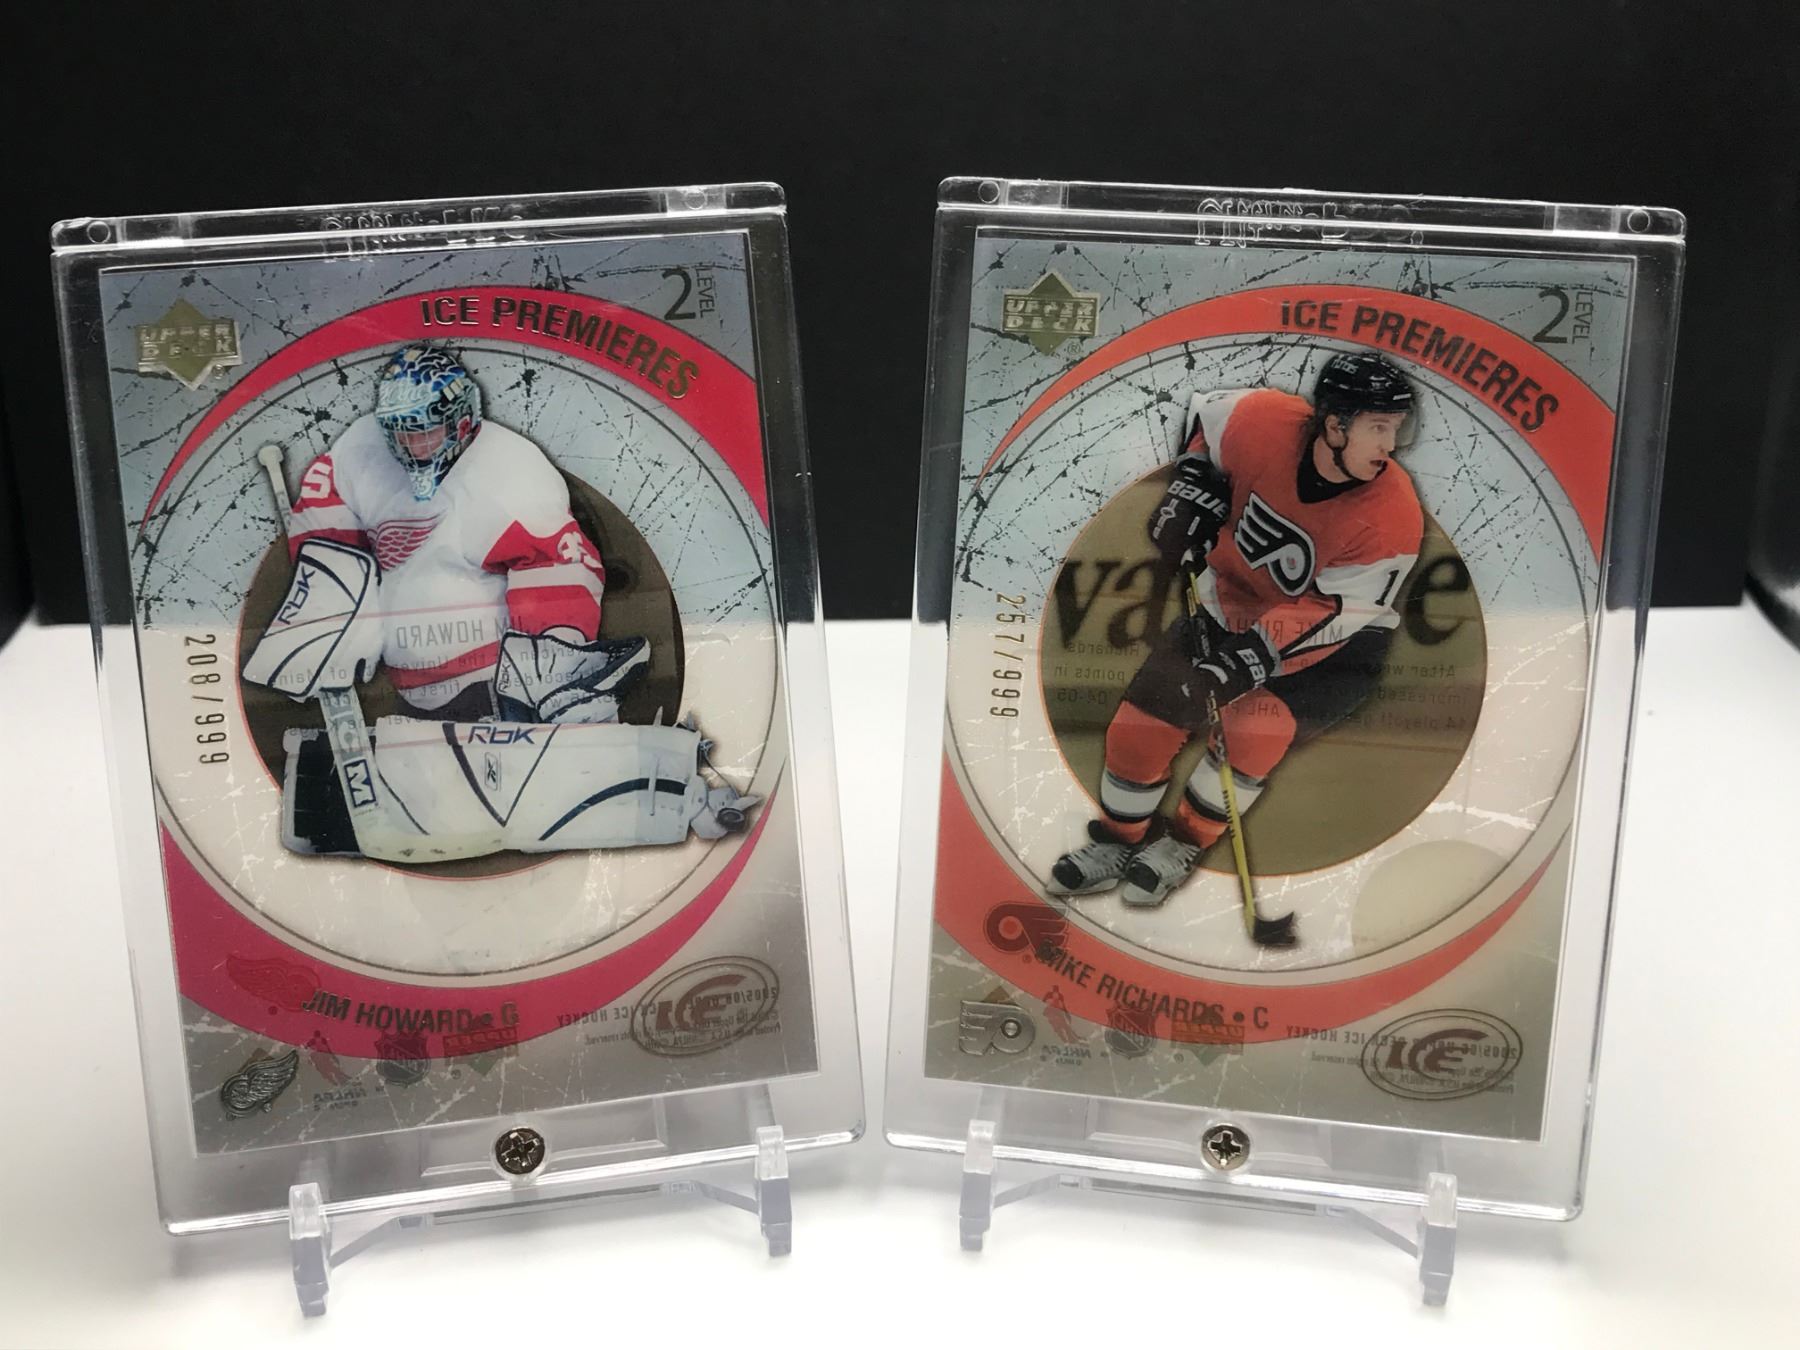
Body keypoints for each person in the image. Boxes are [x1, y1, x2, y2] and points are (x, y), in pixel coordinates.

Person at [1051, 351, 1424, 908]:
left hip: (1337, 648)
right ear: (1334, 425)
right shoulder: (1262, 420)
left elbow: (1336, 610)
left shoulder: (1393, 515)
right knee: (1137, 732)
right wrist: (1193, 479)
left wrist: (1244, 659)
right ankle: (1116, 842)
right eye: (1378, 427)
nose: (1391, 446)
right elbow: (1205, 421)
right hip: (1231, 605)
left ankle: (1182, 844)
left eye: (1397, 429)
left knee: (1251, 732)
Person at [284, 344, 645, 722]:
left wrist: (555, 667)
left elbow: (556, 565)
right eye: (402, 433)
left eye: (426, 431)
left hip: (493, 684)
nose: (413, 447)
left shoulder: (509, 467)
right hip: (408, 688)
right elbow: (325, 517)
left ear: (461, 420)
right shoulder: (361, 448)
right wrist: (324, 613)